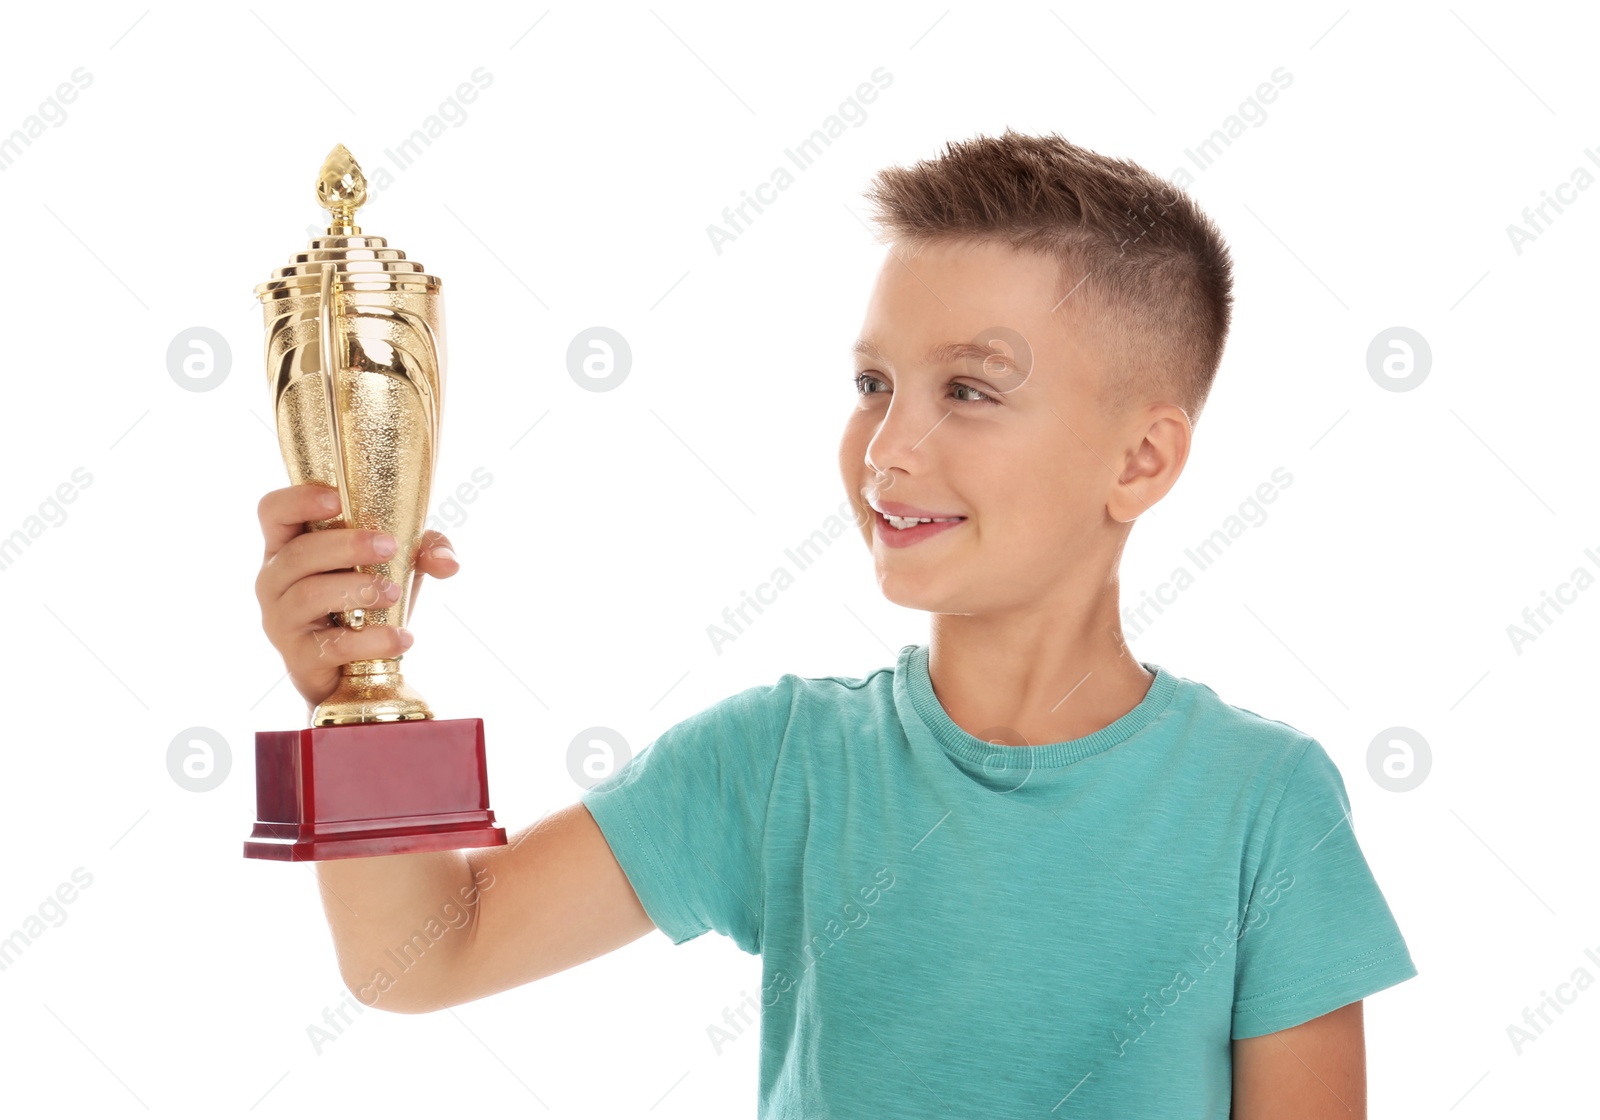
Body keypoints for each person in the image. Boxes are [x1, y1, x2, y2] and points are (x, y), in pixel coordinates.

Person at [254, 129, 1416, 1118]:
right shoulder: (778, 763)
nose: (889, 447)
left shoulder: (1262, 805)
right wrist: (350, 692)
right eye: (873, 384)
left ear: (1142, 457)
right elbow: (423, 953)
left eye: (967, 389)